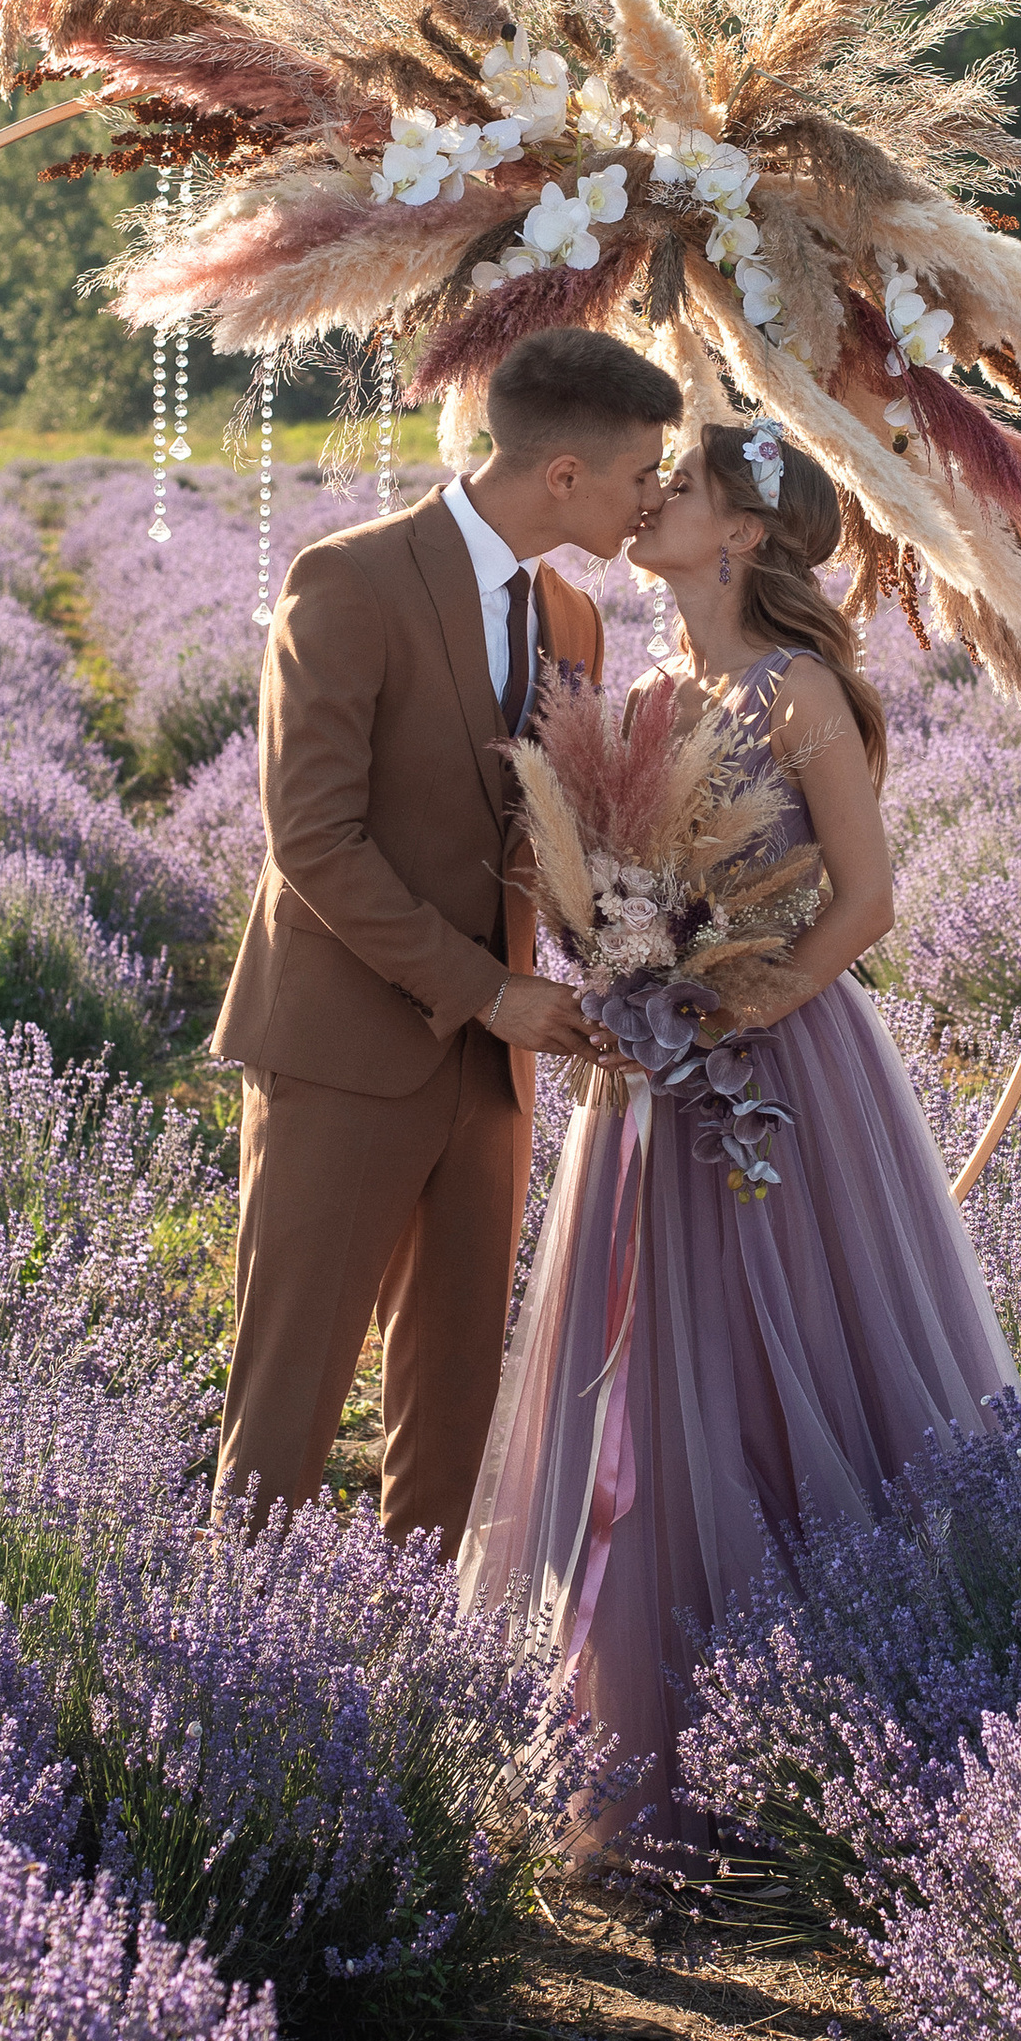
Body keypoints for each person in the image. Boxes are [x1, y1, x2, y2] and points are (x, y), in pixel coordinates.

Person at [459, 419, 1018, 1841]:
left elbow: (867, 897)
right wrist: (623, 961)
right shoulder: (651, 680)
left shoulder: (800, 689)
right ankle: (647, 1737)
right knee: (651, 1380)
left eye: (683, 489)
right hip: (655, 1064)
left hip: (781, 1062)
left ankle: (863, 1721)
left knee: (796, 1356)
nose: (651, 502)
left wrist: (734, 1002)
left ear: (748, 536)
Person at [211, 327, 682, 1542]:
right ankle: (231, 1666)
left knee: (456, 1392)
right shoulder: (350, 580)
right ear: (564, 474)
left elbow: (554, 833)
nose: (654, 502)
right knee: (291, 1395)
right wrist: (485, 990)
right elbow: (312, 842)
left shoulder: (572, 616)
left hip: (495, 1062)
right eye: (641, 475)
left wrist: (642, 964)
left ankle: (416, 1655)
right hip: (346, 1049)